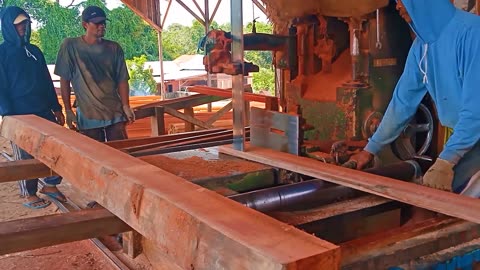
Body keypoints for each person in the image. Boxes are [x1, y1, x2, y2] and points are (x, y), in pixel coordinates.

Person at [348, 0, 480, 196]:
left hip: (474, 132)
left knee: (463, 206)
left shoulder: (472, 33)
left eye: (402, 0)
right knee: (445, 199)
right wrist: (370, 150)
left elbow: (476, 110)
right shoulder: (421, 47)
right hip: (466, 136)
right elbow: (402, 102)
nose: (398, 7)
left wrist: (447, 160)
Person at [0, 6, 67, 209]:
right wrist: (8, 114)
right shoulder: (2, 53)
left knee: (55, 148)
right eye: (19, 23)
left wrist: (57, 108)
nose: (23, 27)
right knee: (25, 156)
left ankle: (50, 185)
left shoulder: (34, 51)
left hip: (43, 109)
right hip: (19, 113)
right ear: (9, 26)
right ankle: (28, 193)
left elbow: (46, 82)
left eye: (25, 23)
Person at [54, 5, 135, 142]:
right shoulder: (70, 46)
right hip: (88, 115)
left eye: (103, 22)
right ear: (85, 24)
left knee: (122, 155)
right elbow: (65, 80)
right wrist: (68, 110)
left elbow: (122, 79)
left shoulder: (114, 48)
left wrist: (126, 106)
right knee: (92, 156)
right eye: (97, 23)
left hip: (114, 113)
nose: (101, 26)